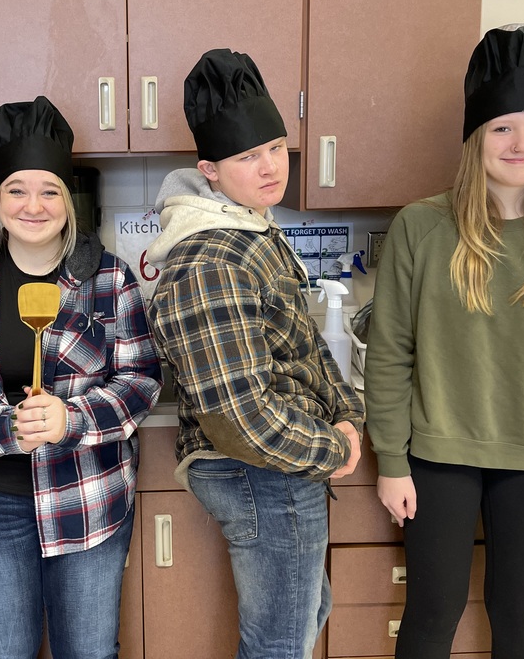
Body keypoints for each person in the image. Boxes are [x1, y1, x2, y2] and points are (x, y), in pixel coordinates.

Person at [366, 27, 524, 659]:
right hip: (438, 457)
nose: (522, 143)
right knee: (431, 617)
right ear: (475, 138)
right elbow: (390, 352)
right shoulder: (421, 229)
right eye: (503, 128)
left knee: (519, 622)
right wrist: (392, 461)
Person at [0, 95, 161, 659]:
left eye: (49, 190)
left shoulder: (108, 279)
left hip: (88, 496)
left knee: (90, 652)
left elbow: (141, 380)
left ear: (68, 200)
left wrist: (69, 419)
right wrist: (7, 430)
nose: (34, 205)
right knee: (2, 654)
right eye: (16, 191)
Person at [146, 48, 364, 659]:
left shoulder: (252, 229)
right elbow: (241, 417)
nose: (270, 167)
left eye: (276, 148)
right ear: (209, 170)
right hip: (258, 470)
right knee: (277, 646)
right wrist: (332, 445)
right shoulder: (211, 258)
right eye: (248, 156)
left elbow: (304, 346)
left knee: (301, 620)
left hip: (277, 462)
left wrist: (345, 408)